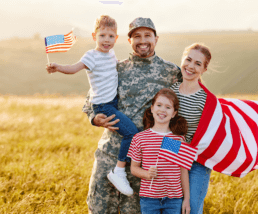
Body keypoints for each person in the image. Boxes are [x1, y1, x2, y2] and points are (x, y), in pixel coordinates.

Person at [83, 17, 182, 214]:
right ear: (129, 41)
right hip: (109, 154)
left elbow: (181, 111)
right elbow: (90, 101)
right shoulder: (116, 68)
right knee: (99, 208)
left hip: (143, 161)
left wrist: (172, 150)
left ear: (156, 39)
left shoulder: (171, 72)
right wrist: (94, 119)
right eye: (137, 36)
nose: (142, 40)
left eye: (147, 35)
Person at [45, 15, 139, 196]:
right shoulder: (91, 56)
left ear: (116, 38)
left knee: (130, 132)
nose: (106, 40)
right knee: (131, 132)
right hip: (103, 106)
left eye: (111, 36)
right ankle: (118, 171)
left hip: (112, 102)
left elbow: (113, 70)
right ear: (94, 36)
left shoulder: (111, 54)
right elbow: (74, 68)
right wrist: (57, 66)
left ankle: (120, 170)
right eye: (102, 35)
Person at [128, 88, 190, 214]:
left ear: (173, 113)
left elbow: (183, 172)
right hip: (149, 199)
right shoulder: (140, 138)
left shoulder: (178, 140)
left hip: (174, 199)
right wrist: (147, 174)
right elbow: (134, 168)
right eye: (159, 105)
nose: (162, 110)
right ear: (152, 108)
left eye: (168, 107)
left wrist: (187, 199)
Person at [170, 43, 212, 214]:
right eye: (188, 60)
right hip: (172, 159)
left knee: (191, 209)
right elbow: (161, 133)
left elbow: (211, 138)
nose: (190, 66)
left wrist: (187, 153)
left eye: (197, 63)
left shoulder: (207, 100)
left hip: (197, 163)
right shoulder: (170, 93)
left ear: (204, 69)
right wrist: (177, 150)